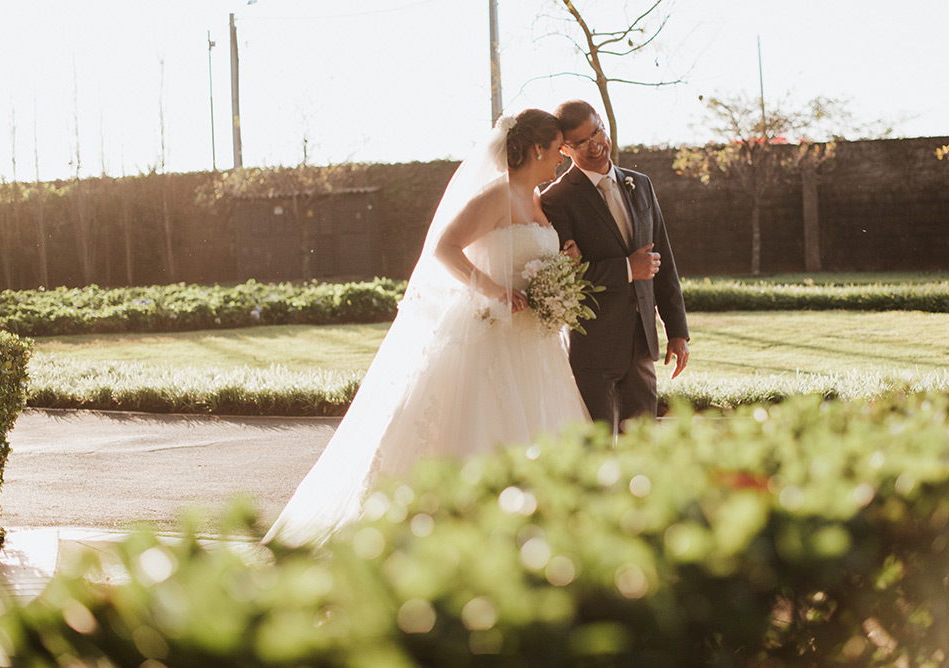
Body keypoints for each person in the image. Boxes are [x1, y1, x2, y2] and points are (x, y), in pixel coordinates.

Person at [263, 109, 590, 547]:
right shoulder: (495, 196)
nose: (562, 160)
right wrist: (492, 289)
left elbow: (529, 261)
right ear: (536, 149)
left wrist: (560, 268)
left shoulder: (535, 200)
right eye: (556, 152)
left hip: (533, 344)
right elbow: (445, 248)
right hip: (494, 340)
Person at [539, 100, 689, 432]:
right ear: (564, 149)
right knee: (599, 448)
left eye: (597, 132)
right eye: (580, 143)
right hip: (593, 347)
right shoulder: (555, 200)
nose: (595, 145)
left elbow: (662, 260)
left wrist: (677, 331)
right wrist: (625, 268)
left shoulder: (641, 185)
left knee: (642, 444)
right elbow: (564, 280)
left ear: (603, 125)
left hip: (641, 345)